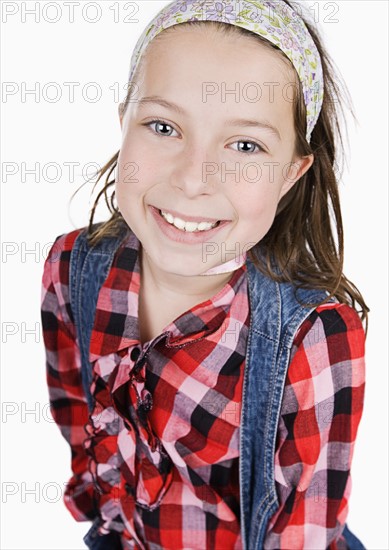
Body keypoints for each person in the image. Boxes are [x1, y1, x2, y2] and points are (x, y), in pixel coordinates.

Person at [40, 1, 369, 548]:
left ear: (291, 173)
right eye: (163, 126)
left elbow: (304, 530)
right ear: (123, 121)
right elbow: (79, 416)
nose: (194, 178)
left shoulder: (314, 339)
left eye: (245, 145)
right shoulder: (74, 269)